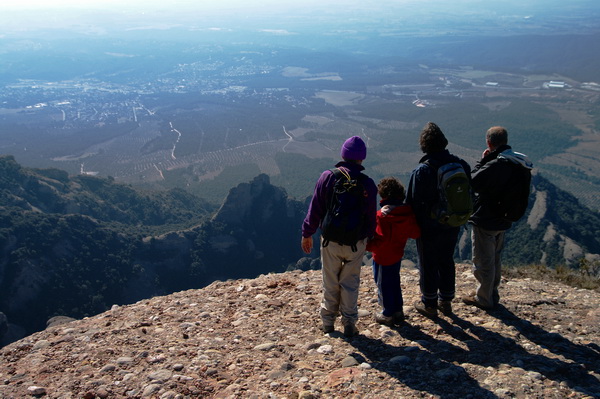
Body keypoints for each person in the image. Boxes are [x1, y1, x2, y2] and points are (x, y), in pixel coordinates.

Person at [301, 136, 377, 337]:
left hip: (330, 241)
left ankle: (327, 323)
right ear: (362, 158)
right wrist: (368, 239)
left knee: (330, 281)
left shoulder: (328, 176)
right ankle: (349, 323)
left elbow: (315, 208)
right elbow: (370, 217)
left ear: (343, 154)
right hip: (355, 242)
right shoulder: (367, 184)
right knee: (350, 283)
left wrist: (307, 233)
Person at [463, 126, 533, 310]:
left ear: (489, 142)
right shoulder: (518, 162)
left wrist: (483, 160)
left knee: (483, 261)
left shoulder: (496, 164)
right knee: (495, 258)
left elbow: (473, 181)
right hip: (505, 218)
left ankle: (484, 299)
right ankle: (492, 293)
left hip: (487, 218)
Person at [406, 122, 471, 317]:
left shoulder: (422, 171)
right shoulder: (461, 165)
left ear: (424, 145)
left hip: (429, 226)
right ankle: (447, 300)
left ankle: (429, 304)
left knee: (428, 263)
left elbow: (412, 203)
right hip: (452, 223)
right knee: (446, 259)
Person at [366, 177, 420, 326]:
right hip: (397, 255)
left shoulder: (381, 216)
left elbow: (380, 240)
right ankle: (398, 310)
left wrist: (366, 245)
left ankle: (387, 313)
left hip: (382, 258)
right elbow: (415, 233)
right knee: (394, 282)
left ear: (383, 196)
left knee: (383, 284)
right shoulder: (407, 213)